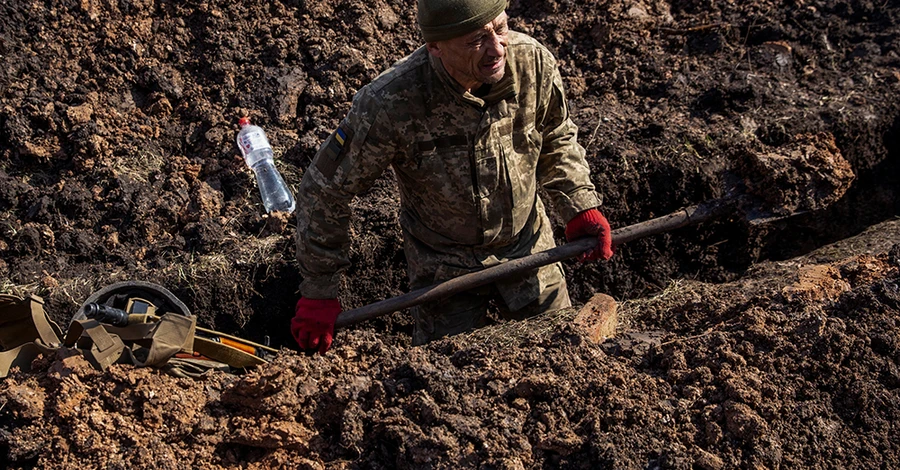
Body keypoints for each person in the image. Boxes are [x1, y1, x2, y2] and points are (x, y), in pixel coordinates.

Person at [291, 0, 614, 354]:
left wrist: (578, 203)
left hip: (528, 248)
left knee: (562, 357)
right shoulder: (392, 102)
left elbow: (556, 135)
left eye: (501, 28)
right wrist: (320, 291)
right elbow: (324, 191)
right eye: (476, 39)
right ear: (436, 46)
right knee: (442, 376)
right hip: (444, 269)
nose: (496, 48)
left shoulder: (531, 63)